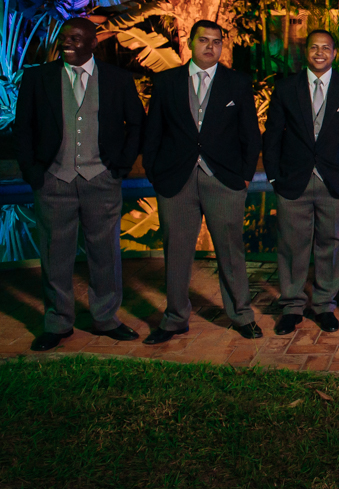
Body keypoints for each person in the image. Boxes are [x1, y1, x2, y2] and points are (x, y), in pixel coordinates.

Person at [14, 18, 144, 351]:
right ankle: (58, 322)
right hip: (54, 180)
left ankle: (106, 319)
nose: (67, 43)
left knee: (105, 254)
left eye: (75, 38)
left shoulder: (117, 79)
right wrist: (33, 172)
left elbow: (137, 124)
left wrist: (120, 166)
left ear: (93, 42)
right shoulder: (38, 77)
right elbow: (23, 128)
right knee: (54, 255)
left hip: (101, 179)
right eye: (64, 38)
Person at [142, 20, 262, 344]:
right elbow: (153, 132)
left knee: (231, 251)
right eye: (204, 40)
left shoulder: (237, 82)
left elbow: (250, 134)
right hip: (176, 181)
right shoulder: (167, 81)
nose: (211, 46)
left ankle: (241, 315)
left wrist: (244, 177)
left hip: (224, 180)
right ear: (190, 43)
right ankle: (175, 318)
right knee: (177, 252)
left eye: (216, 41)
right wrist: (155, 174)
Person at [263, 30, 339, 335]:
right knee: (292, 245)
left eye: (325, 48)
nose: (320, 52)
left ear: (334, 53)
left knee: (332, 244)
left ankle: (324, 305)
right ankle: (292, 306)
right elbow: (273, 133)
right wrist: (274, 175)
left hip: (336, 181)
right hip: (294, 180)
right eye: (314, 47)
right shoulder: (286, 87)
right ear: (306, 52)